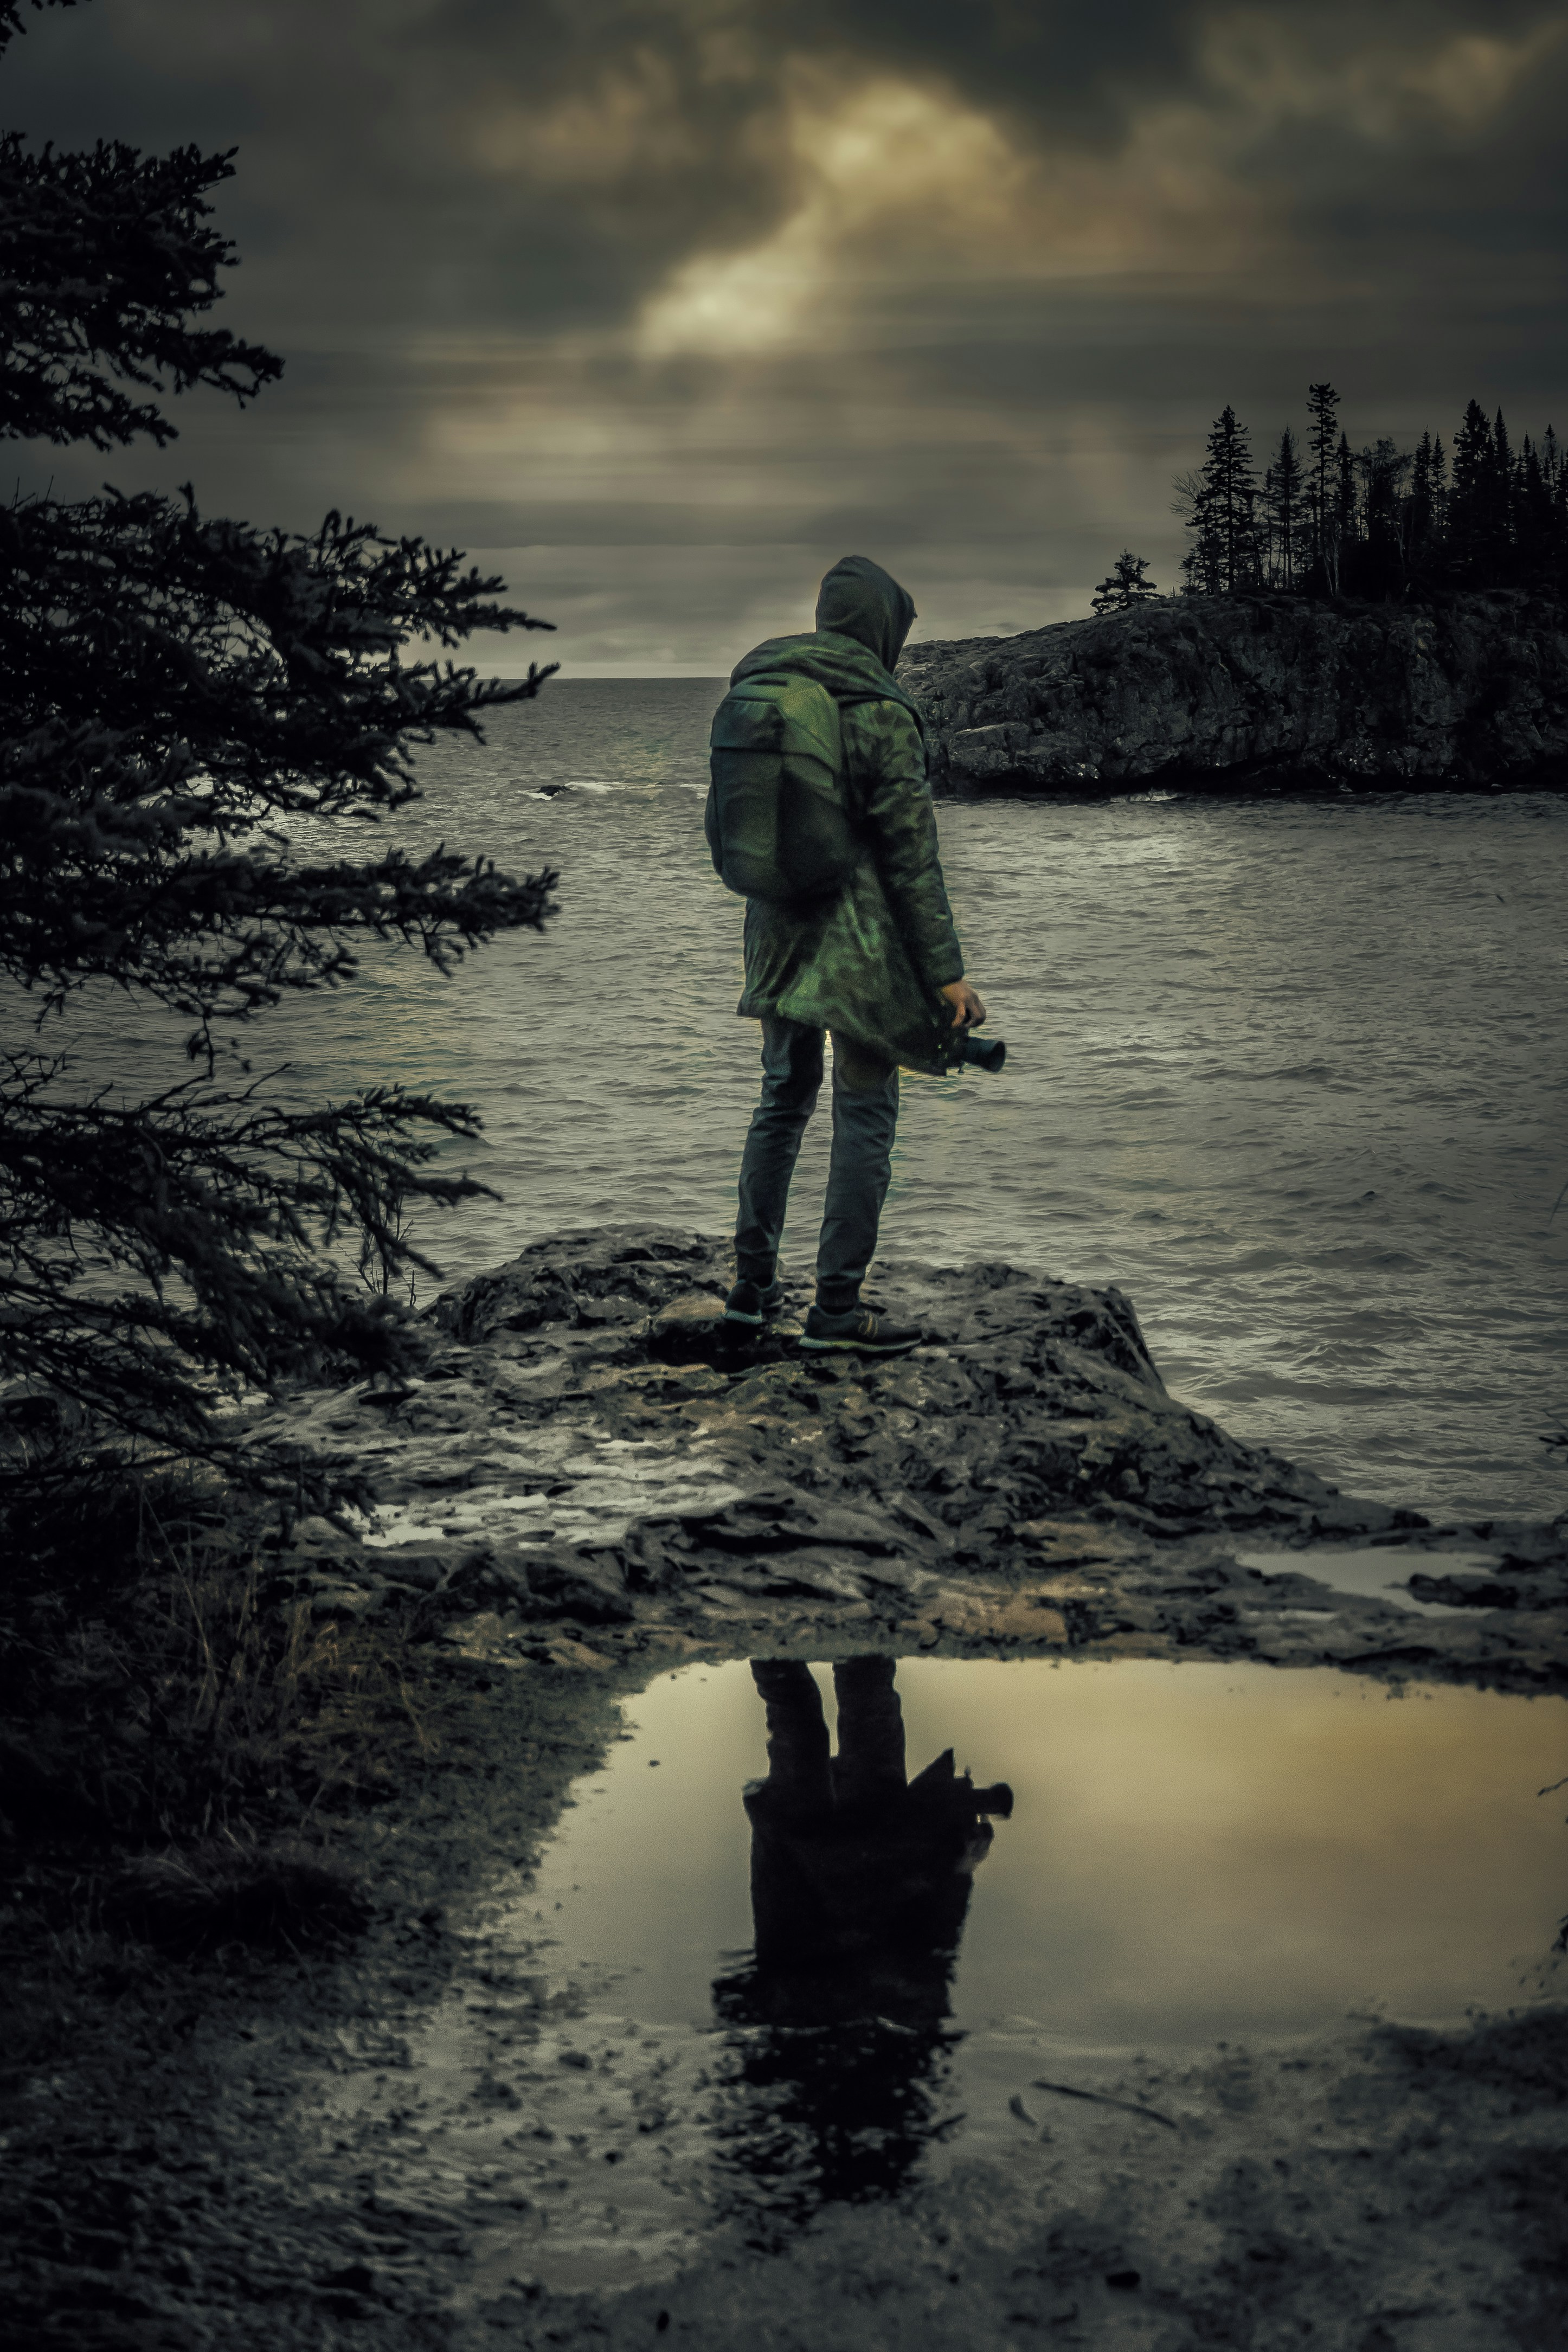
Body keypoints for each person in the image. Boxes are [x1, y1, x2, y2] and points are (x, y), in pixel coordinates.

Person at [719, 555, 987, 1355]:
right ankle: (836, 1308)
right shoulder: (881, 709)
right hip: (859, 946)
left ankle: (749, 1289)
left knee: (781, 1099)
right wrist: (945, 970)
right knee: (864, 1110)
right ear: (883, 629)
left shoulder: (767, 684)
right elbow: (909, 854)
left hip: (773, 930)